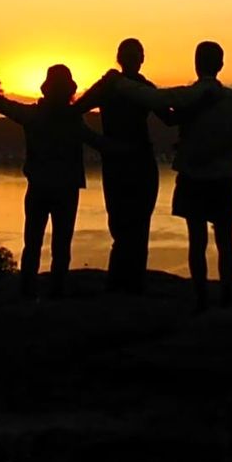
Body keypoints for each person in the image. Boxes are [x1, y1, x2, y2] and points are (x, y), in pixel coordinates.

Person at [0, 64, 109, 299]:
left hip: (40, 187)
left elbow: (1, 103)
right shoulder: (72, 119)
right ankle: (55, 293)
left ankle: (28, 292)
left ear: (46, 89)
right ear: (68, 91)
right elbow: (98, 143)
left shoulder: (35, 116)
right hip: (65, 189)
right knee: (60, 246)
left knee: (33, 244)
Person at [170, 41, 232, 311]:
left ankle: (201, 295)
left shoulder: (186, 98)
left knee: (196, 240)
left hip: (192, 175)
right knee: (225, 239)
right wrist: (228, 140)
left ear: (196, 64)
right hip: (222, 177)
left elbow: (167, 113)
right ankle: (227, 292)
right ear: (221, 65)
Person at [75, 38, 162, 294]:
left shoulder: (130, 87)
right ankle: (125, 284)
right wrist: (99, 142)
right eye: (131, 55)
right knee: (127, 227)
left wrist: (99, 142)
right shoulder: (113, 86)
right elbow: (77, 110)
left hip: (132, 162)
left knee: (132, 225)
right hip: (126, 161)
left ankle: (126, 283)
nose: (134, 59)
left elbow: (169, 117)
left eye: (136, 55)